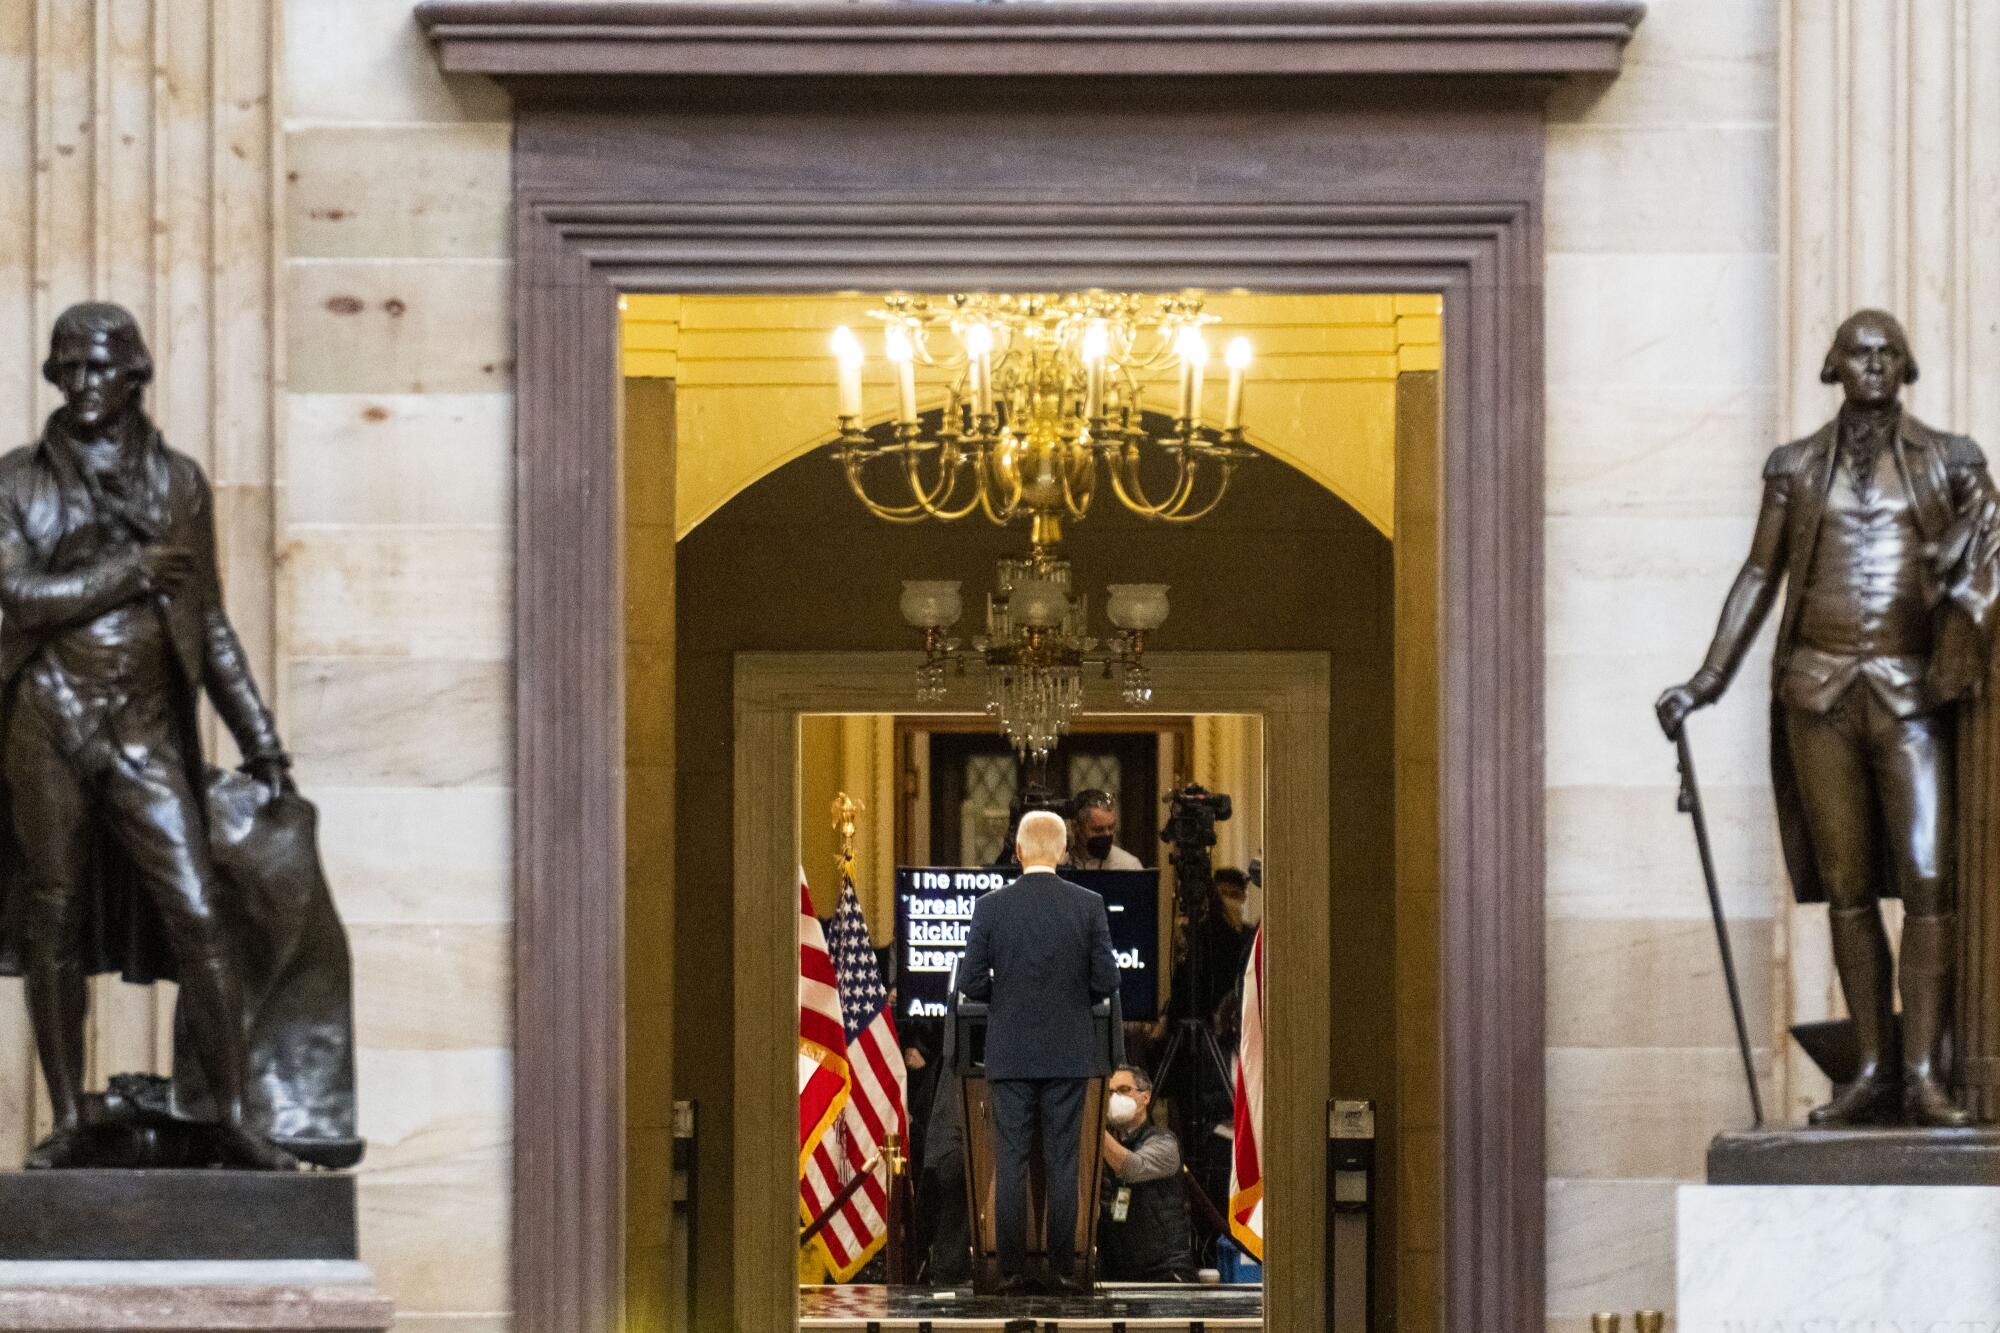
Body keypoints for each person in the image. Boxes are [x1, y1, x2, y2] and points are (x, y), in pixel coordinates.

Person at [1657, 309, 2000, 1128]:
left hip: (1910, 695)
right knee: (1847, 888)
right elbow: (1757, 574)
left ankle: (1924, 1073)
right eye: (1860, 353)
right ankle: (1873, 1071)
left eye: (1887, 353)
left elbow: (1992, 543)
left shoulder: (1950, 460)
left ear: (1904, 365)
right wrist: (1705, 680)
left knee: (1927, 878)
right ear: (1834, 365)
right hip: (1817, 693)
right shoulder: (1797, 467)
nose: (1874, 365)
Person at [0, 303, 297, 1169]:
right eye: (70, 368)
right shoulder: (18, 481)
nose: (84, 384)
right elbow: (18, 598)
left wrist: (262, 740)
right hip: (45, 719)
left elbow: (207, 627)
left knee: (202, 911)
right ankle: (64, 1117)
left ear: (135, 377)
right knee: (54, 916)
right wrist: (126, 570)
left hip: (144, 727)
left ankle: (232, 1114)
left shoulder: (178, 483)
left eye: (101, 367)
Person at [958, 809, 1120, 1293]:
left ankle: (1008, 1273)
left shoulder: (991, 907)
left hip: (1009, 1054)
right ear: (1066, 850)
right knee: (1063, 1161)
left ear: (1019, 850)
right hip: (1070, 1052)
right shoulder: (1088, 904)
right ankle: (1065, 1272)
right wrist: (1073, 1003)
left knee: (1011, 1163)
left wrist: (1005, 1001)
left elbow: (969, 983)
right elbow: (1107, 981)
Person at [1097, 1066, 1196, 1283]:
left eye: (1124, 1090)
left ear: (1145, 1096)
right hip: (1123, 1272)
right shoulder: (1109, 1149)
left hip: (1166, 1272)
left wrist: (1092, 1126)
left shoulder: (1164, 1142)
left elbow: (1132, 1168)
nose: (1115, 1098)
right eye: (1110, 1092)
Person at [1067, 788, 1142, 870]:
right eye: (1098, 830)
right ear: (1075, 827)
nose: (1107, 834)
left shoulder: (1129, 866)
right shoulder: (1060, 863)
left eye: (1111, 828)